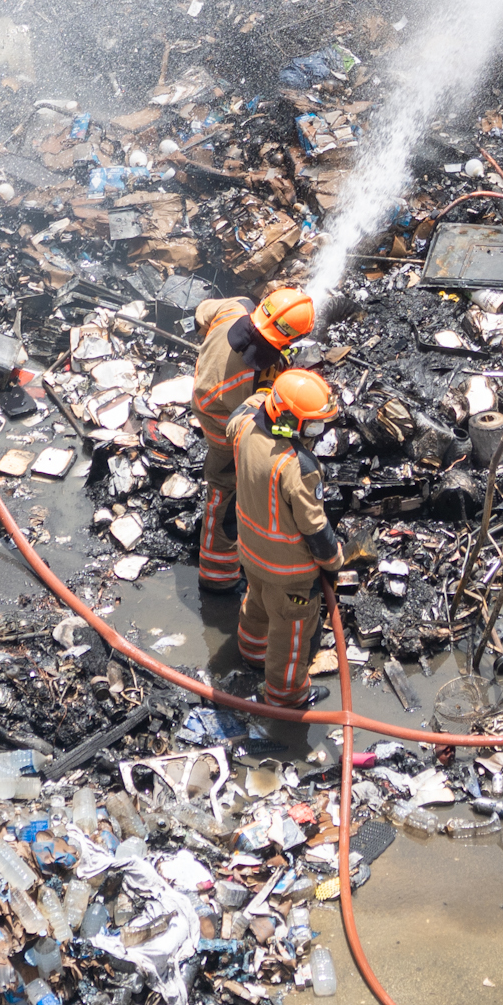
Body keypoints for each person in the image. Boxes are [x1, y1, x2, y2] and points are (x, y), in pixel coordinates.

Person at [226, 368, 342, 721]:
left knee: (257, 604)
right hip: (290, 574)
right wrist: (334, 562)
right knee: (291, 636)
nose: (316, 434)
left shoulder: (244, 429)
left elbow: (240, 412)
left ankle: (251, 652)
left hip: (251, 554)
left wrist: (264, 395)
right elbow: (315, 527)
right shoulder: (298, 467)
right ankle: (286, 697)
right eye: (313, 427)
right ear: (290, 421)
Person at [191, 286, 315, 593]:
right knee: (225, 490)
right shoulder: (255, 380)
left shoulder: (236, 306)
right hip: (222, 424)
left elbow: (201, 314)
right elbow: (270, 424)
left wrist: (212, 351)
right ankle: (217, 576)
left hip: (203, 397)